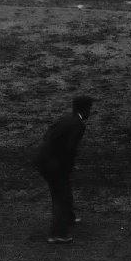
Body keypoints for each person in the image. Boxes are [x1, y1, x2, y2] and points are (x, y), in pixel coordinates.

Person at [36, 95, 93, 244]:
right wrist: (66, 166)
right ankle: (57, 234)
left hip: (44, 158)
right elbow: (70, 149)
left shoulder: (67, 119)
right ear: (85, 109)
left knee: (64, 188)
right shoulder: (79, 124)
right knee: (60, 194)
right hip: (52, 163)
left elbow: (48, 134)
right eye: (89, 109)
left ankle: (68, 217)